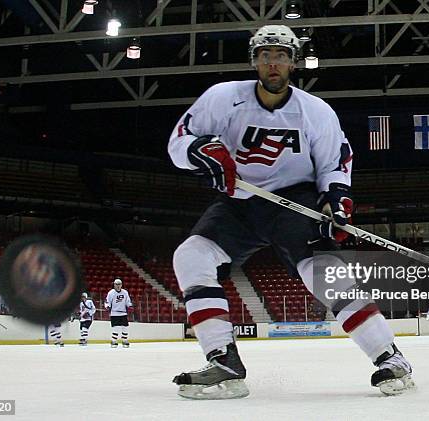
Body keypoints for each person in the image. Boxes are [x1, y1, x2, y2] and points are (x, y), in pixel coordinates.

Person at [168, 24, 414, 399]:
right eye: (265, 55)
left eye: (281, 56)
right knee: (190, 256)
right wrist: (200, 151)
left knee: (320, 271)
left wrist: (337, 200)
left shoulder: (315, 111)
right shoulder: (222, 97)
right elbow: (179, 142)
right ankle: (223, 362)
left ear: (293, 62)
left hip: (292, 201)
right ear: (254, 60)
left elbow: (335, 162)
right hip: (237, 202)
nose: (272, 63)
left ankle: (390, 357)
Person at [105, 278, 133, 348]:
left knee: (125, 327)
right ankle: (114, 341)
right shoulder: (111, 293)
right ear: (114, 285)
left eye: (119, 284)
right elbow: (107, 301)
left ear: (121, 285)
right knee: (115, 328)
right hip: (114, 313)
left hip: (123, 313)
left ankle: (125, 340)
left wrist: (129, 306)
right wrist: (107, 306)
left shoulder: (125, 292)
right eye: (116, 284)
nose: (118, 286)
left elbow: (128, 301)